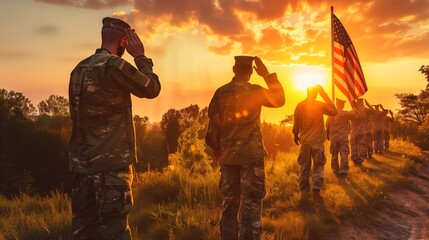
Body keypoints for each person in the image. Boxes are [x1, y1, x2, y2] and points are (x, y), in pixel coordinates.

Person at [68, 17, 160, 240]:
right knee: (114, 232)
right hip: (110, 171)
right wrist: (140, 57)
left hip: (81, 171)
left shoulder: (78, 69)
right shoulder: (114, 65)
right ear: (123, 42)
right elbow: (152, 88)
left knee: (83, 233)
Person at [205, 56, 285, 240]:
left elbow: (214, 122)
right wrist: (267, 75)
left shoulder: (221, 92)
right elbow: (279, 99)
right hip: (251, 157)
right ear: (250, 72)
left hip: (228, 157)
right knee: (250, 208)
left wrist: (216, 146)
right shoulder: (255, 91)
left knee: (229, 207)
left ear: (234, 69)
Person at [292, 85, 336, 195]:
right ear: (315, 93)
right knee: (318, 165)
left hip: (305, 142)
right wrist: (324, 94)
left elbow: (296, 124)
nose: (317, 95)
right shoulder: (319, 105)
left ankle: (304, 191)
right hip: (317, 142)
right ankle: (316, 188)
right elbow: (334, 111)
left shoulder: (300, 106)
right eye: (316, 93)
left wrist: (296, 135)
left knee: (304, 167)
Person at [326, 98, 358, 177]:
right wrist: (355, 110)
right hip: (343, 138)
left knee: (334, 155)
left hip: (333, 138)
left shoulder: (331, 114)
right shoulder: (345, 113)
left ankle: (335, 170)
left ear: (337, 104)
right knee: (344, 154)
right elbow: (356, 117)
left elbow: (327, 126)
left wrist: (328, 135)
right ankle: (343, 170)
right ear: (343, 105)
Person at [350, 99, 374, 164]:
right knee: (361, 145)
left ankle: (354, 158)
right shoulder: (364, 111)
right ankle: (361, 158)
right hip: (362, 131)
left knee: (353, 146)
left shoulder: (351, 112)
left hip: (353, 132)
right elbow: (373, 112)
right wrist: (368, 105)